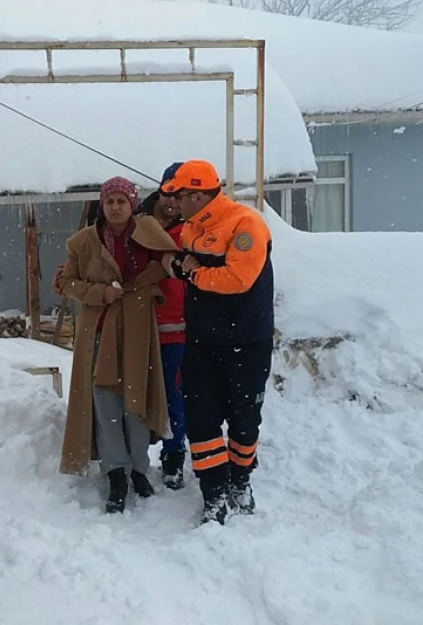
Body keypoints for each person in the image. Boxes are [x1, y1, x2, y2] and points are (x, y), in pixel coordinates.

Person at [159, 159, 274, 525]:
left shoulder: (246, 224)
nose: (173, 202)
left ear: (198, 195)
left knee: (244, 420)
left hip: (246, 342)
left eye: (178, 195)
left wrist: (193, 272)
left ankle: (240, 481)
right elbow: (186, 264)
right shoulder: (192, 227)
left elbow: (236, 279)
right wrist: (183, 266)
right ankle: (213, 492)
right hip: (202, 343)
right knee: (201, 421)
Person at [56, 176, 179, 514]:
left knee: (136, 400)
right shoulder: (82, 242)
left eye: (121, 201)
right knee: (105, 402)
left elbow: (169, 261)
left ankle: (139, 469)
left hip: (138, 329)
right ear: (102, 204)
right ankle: (116, 473)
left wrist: (143, 282)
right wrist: (100, 293)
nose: (114, 207)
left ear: (131, 203)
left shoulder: (149, 233)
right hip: (98, 330)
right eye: (109, 201)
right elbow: (66, 282)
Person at [134, 162, 189, 489]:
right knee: (136, 397)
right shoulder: (137, 224)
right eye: (170, 190)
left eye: (181, 194)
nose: (173, 200)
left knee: (174, 397)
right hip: (140, 328)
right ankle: (134, 459)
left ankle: (173, 456)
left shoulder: (194, 229)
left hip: (179, 330)